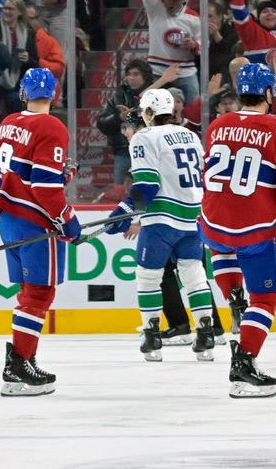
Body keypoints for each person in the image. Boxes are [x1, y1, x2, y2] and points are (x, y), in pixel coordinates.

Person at [197, 63, 276, 398]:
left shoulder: (218, 124)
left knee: (222, 243)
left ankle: (233, 295)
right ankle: (243, 362)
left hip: (213, 221)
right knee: (265, 297)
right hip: (254, 226)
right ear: (269, 94)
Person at [105, 89, 216, 363]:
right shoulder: (190, 135)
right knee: (194, 274)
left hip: (161, 220)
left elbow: (147, 185)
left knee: (148, 276)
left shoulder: (145, 136)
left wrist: (123, 211)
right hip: (192, 217)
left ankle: (152, 337)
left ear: (150, 112)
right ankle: (205, 335)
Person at [0, 67, 81, 396]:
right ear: (55, 95)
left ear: (24, 94)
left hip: (8, 219)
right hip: (36, 222)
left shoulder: (8, 123)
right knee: (40, 295)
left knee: (29, 293)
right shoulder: (52, 126)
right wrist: (68, 221)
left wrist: (63, 177)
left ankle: (22, 361)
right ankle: (18, 367)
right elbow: (45, 187)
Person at [139, 0, 202, 105]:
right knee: (151, 109)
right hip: (157, 70)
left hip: (185, 71)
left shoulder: (193, 17)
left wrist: (194, 45)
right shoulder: (156, 7)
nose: (171, 2)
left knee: (194, 110)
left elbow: (204, 44)